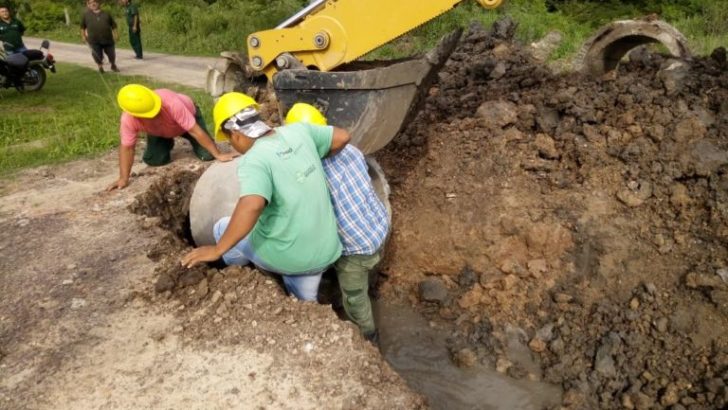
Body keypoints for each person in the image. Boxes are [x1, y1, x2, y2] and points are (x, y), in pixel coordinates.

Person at [181, 93, 349, 302]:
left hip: (295, 260)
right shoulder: (298, 131)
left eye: (230, 141)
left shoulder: (254, 159)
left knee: (222, 227)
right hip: (328, 249)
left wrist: (217, 249)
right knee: (308, 298)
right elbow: (343, 136)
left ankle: (239, 276)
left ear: (235, 134)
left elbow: (252, 205)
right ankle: (298, 293)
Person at [286, 103, 389, 341]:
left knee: (355, 299)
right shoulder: (351, 150)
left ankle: (368, 337)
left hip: (355, 248)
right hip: (378, 227)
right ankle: (367, 277)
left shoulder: (313, 173)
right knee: (365, 264)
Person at [108, 84, 237, 191]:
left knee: (207, 155)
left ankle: (187, 142)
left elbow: (195, 131)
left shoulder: (171, 102)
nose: (154, 116)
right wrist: (123, 178)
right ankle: (166, 141)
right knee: (154, 160)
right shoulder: (128, 120)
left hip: (188, 123)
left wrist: (218, 154)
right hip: (160, 132)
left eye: (155, 112)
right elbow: (127, 148)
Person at [80, 0, 119, 73]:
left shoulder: (106, 13)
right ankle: (100, 67)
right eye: (90, 3)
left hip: (108, 39)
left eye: (94, 2)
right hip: (94, 40)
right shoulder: (86, 15)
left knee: (111, 54)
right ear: (88, 5)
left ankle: (113, 65)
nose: (93, 4)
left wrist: (116, 34)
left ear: (98, 3)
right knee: (97, 54)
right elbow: (82, 27)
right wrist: (83, 36)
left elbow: (114, 25)